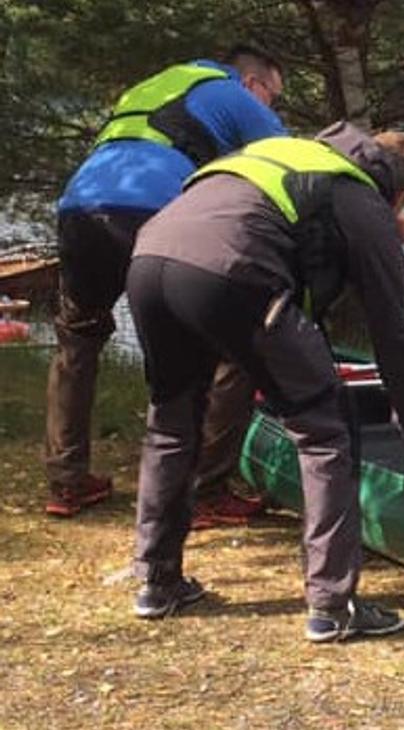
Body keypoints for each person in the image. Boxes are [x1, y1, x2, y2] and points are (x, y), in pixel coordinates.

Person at [125, 122, 404, 641]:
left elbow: (286, 217)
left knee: (172, 420)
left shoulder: (299, 154)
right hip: (233, 270)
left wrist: (389, 223)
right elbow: (398, 339)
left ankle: (157, 582)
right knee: (326, 430)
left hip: (150, 259)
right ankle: (332, 606)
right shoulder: (362, 201)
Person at [46, 45, 287, 519]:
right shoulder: (232, 93)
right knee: (235, 342)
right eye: (273, 97)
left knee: (77, 343)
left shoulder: (154, 86)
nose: (271, 107)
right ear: (254, 85)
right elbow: (289, 161)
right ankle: (206, 489)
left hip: (79, 206)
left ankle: (67, 481)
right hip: (153, 210)